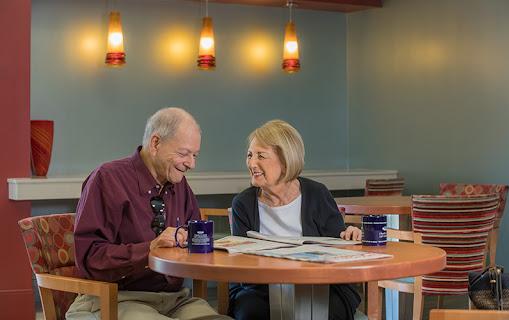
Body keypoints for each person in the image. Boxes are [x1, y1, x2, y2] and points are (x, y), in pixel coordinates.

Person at [67, 108, 231, 320]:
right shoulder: (107, 179)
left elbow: (195, 241)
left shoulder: (179, 184)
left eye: (194, 155)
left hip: (176, 300)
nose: (191, 164)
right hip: (117, 298)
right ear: (155, 144)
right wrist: (150, 249)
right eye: (184, 154)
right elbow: (90, 258)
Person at [228, 120, 362, 320]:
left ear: (285, 161)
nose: (251, 163)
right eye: (250, 155)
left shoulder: (317, 194)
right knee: (250, 314)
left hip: (319, 286)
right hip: (260, 290)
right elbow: (242, 265)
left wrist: (350, 237)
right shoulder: (243, 203)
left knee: (325, 314)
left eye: (261, 156)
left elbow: (337, 251)